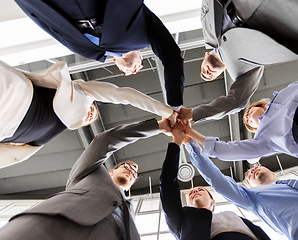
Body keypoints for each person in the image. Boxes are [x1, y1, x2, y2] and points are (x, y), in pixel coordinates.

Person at [179, 0, 298, 123]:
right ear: (221, 72)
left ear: (204, 57)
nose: (207, 72)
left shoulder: (206, 26)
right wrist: (193, 114)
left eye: (203, 71)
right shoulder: (245, 71)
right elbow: (236, 102)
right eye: (210, 76)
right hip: (294, 16)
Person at [184, 61, 298, 185]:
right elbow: (227, 150)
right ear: (255, 130)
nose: (246, 117)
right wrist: (190, 133)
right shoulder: (264, 139)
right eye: (248, 124)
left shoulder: (286, 92)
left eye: (246, 113)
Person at [0, 117, 172, 240]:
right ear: (111, 171)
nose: (130, 172)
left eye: (134, 174)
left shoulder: (130, 210)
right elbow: (104, 141)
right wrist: (158, 126)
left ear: (131, 185)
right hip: (48, 229)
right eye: (126, 167)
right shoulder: (91, 173)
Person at [0, 60, 177, 168]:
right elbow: (123, 95)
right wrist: (166, 112)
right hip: (11, 90)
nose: (90, 113)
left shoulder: (40, 140)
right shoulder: (78, 94)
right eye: (92, 109)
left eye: (91, 117)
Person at [15, 0, 184, 109]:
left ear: (115, 63)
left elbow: (47, 24)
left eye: (127, 73)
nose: (132, 70)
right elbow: (172, 57)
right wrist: (175, 105)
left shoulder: (88, 51)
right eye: (139, 67)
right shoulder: (144, 33)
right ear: (140, 53)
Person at [184, 137, 298, 240]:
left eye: (254, 168)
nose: (252, 171)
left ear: (273, 173)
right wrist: (190, 143)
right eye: (247, 177)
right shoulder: (252, 198)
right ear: (247, 186)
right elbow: (216, 179)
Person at [160, 124, 271, 240]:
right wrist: (176, 142)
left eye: (201, 190)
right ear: (188, 205)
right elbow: (167, 185)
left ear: (213, 202)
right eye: (192, 192)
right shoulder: (182, 222)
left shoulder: (233, 216)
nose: (196, 190)